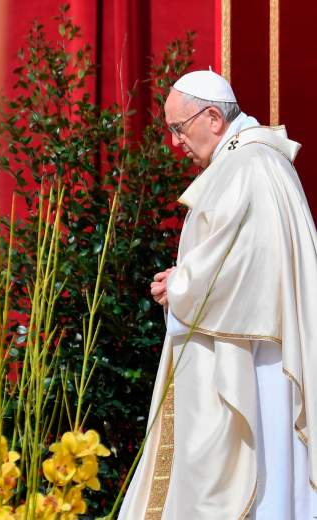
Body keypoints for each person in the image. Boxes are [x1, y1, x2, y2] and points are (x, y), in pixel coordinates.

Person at [119, 70, 317, 519]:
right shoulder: (258, 162)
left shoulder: (246, 165)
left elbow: (246, 262)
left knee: (259, 470)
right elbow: (245, 259)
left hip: (257, 357)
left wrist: (183, 285)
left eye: (178, 128)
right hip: (260, 340)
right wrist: (186, 276)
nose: (175, 143)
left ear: (212, 117)